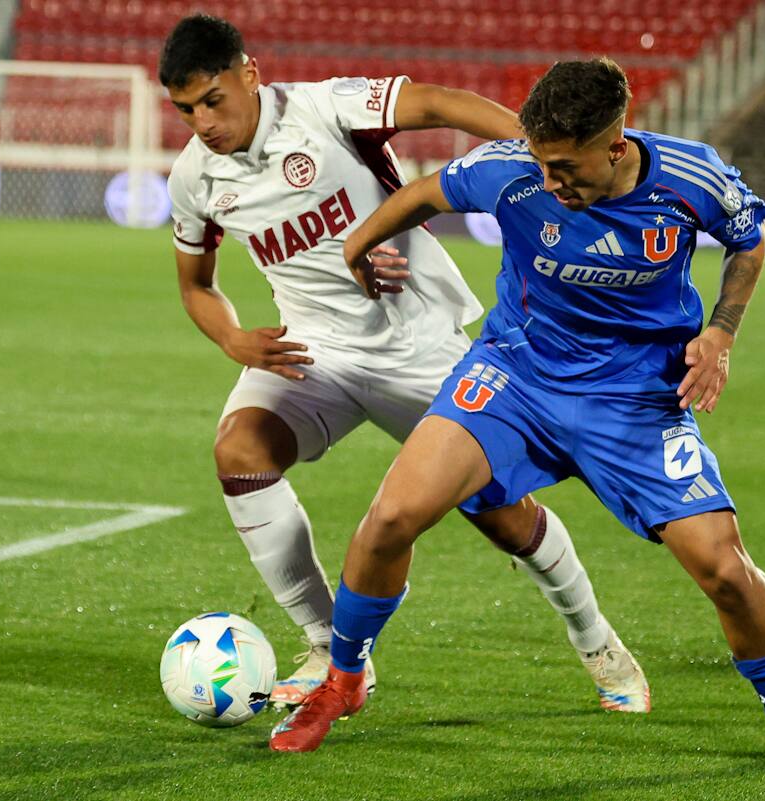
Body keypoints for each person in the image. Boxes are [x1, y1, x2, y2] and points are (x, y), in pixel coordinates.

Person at [268, 58, 765, 776]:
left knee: (726, 570)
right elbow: (425, 193)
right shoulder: (514, 169)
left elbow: (748, 238)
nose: (549, 182)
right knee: (392, 515)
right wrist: (356, 247)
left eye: (565, 167)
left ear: (616, 146)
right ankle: (344, 679)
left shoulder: (691, 176)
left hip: (638, 398)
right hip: (516, 374)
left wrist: (722, 331)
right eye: (541, 163)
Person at [159, 16, 647, 712]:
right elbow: (196, 285)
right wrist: (233, 339)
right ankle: (330, 648)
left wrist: (534, 154)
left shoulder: (325, 109)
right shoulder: (193, 178)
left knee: (502, 514)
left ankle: (597, 641)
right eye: (186, 110)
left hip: (417, 343)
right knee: (238, 451)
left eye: (213, 99)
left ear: (249, 73)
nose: (203, 122)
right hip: (314, 349)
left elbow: (436, 102)